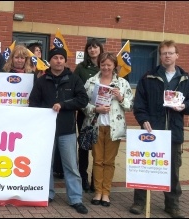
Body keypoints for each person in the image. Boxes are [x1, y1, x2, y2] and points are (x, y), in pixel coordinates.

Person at [130, 40, 189, 218]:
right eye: (164, 53)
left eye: (170, 52)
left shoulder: (186, 79)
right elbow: (139, 104)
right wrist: (143, 120)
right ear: (160, 56)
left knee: (172, 170)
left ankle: (172, 205)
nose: (167, 56)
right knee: (145, 167)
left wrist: (184, 106)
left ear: (177, 55)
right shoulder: (148, 77)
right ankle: (139, 202)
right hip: (152, 131)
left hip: (174, 132)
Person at [29, 47, 89, 214]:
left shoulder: (74, 79)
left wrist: (64, 105)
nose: (58, 61)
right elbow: (33, 103)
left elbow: (83, 100)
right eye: (55, 58)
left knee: (71, 166)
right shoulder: (41, 80)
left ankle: (76, 198)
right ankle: (46, 194)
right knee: (45, 165)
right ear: (51, 60)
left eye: (61, 58)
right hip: (46, 131)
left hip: (67, 130)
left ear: (64, 60)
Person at [82, 52, 133, 207]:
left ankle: (106, 193)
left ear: (114, 66)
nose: (106, 67)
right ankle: (97, 192)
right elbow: (83, 103)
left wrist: (120, 98)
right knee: (97, 161)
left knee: (109, 162)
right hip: (96, 126)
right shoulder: (91, 82)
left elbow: (130, 106)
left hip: (114, 128)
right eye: (103, 64)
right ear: (99, 65)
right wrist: (95, 109)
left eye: (109, 64)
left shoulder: (122, 83)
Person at [73, 38, 104, 192]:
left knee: (99, 147)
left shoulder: (105, 66)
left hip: (103, 115)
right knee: (84, 147)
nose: (93, 50)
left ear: (100, 49)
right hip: (85, 113)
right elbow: (75, 88)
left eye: (96, 47)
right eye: (90, 48)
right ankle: (82, 178)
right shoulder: (81, 68)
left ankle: (96, 181)